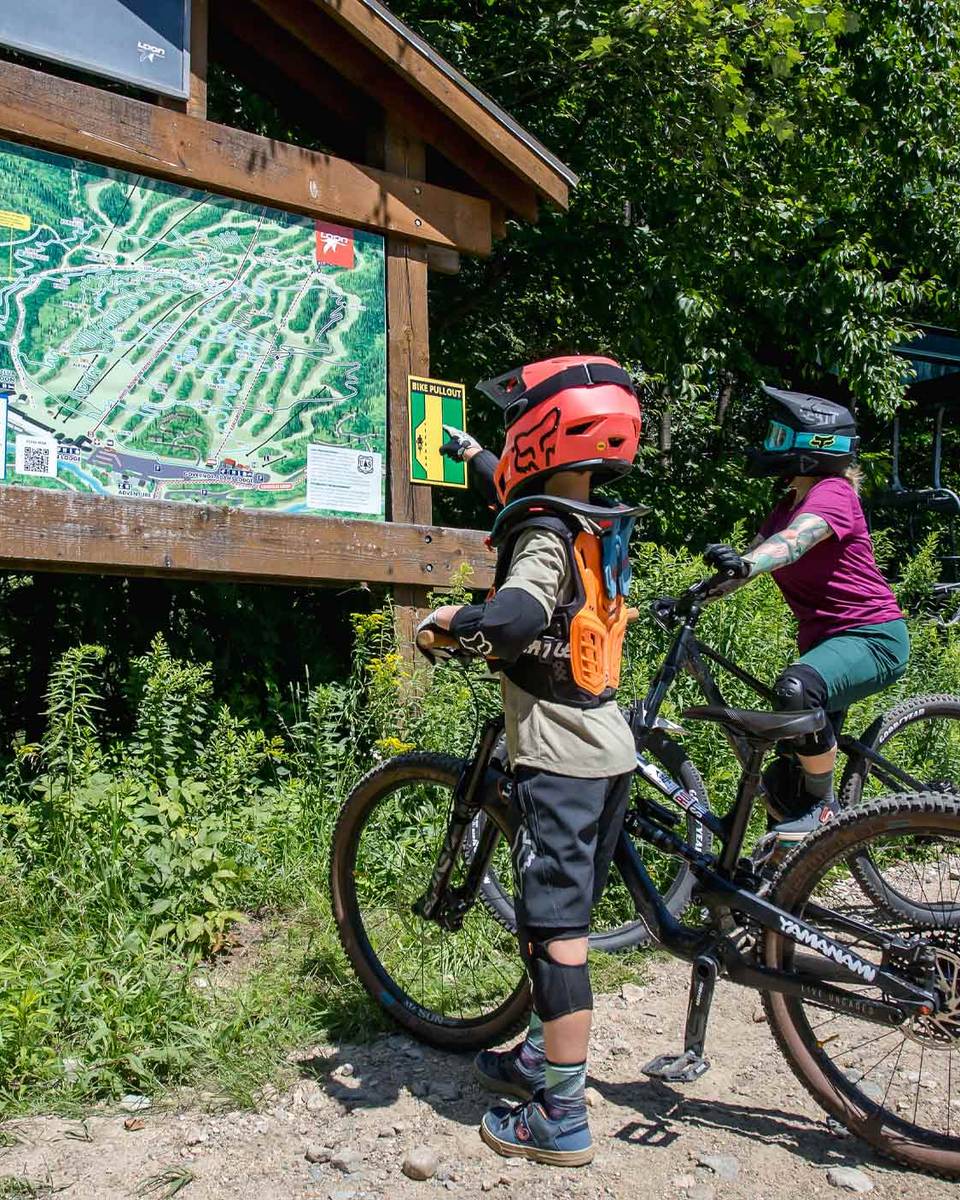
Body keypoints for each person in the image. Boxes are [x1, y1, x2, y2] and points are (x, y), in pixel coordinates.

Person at [416, 355, 644, 1167]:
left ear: (544, 431)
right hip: (607, 744)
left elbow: (516, 617)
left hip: (560, 757)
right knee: (564, 919)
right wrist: (469, 451)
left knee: (555, 937)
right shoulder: (587, 512)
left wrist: (453, 620)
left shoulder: (541, 531)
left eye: (517, 425)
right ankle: (543, 1059)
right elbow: (515, 487)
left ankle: (561, 1116)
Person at [703, 385, 909, 852]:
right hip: (826, 647)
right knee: (783, 782)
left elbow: (794, 542)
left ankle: (826, 807)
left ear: (815, 444)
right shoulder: (786, 505)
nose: (770, 443)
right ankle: (784, 876)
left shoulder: (833, 493)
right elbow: (752, 560)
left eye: (780, 435)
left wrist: (748, 563)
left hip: (871, 638)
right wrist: (692, 597)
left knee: (796, 690)